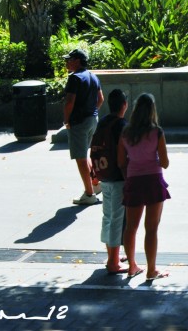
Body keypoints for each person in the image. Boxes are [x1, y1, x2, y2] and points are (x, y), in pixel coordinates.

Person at [118, 93, 171, 280]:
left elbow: (120, 161)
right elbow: (165, 163)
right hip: (153, 182)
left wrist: (130, 175)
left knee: (130, 227)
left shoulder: (126, 133)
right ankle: (151, 270)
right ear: (152, 111)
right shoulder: (157, 132)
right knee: (151, 229)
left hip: (134, 181)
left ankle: (132, 266)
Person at [90, 89, 129, 274]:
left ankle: (111, 254)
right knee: (117, 219)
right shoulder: (122, 125)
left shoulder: (103, 122)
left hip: (103, 174)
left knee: (107, 216)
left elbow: (93, 148)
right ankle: (113, 262)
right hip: (118, 176)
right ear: (124, 105)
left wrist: (95, 174)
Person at [63, 48, 105, 206]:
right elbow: (100, 98)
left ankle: (89, 194)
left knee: (80, 158)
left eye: (70, 59)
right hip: (92, 119)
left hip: (79, 122)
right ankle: (95, 183)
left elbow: (69, 102)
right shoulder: (93, 76)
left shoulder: (74, 78)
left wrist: (66, 120)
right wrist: (92, 112)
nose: (67, 62)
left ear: (78, 61)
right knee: (84, 153)